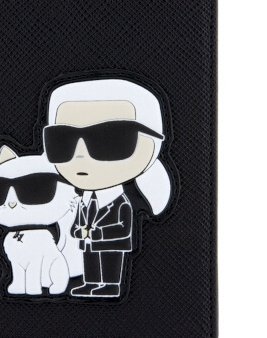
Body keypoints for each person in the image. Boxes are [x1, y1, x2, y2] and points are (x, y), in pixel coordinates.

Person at [43, 78, 171, 298]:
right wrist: (78, 232)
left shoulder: (120, 202)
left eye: (111, 139)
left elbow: (123, 227)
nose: (81, 154)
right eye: (63, 140)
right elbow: (77, 222)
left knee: (110, 264)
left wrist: (98, 232)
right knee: (90, 263)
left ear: (152, 144)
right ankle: (91, 283)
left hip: (112, 244)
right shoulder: (83, 200)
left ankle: (111, 285)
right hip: (88, 243)